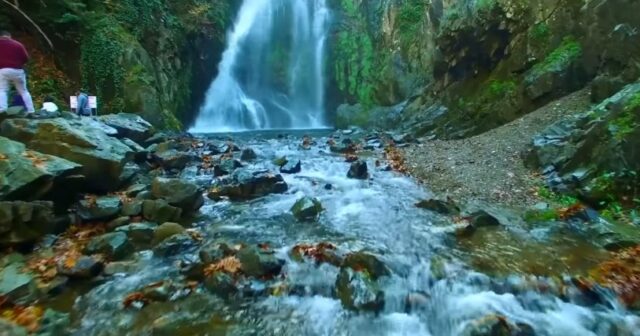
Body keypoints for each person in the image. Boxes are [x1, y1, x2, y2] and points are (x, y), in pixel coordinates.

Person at [0, 30, 35, 113]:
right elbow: (26, 58)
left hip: (3, 70)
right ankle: (31, 110)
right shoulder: (18, 44)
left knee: (2, 90)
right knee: (23, 91)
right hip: (18, 71)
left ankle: (2, 110)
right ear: (9, 36)